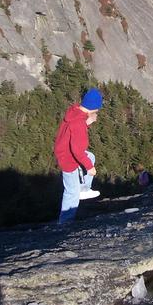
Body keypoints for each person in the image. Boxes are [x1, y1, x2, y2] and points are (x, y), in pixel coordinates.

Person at [54, 88, 103, 224]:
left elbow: (74, 129)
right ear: (94, 107)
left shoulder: (75, 113)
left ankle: (84, 188)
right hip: (68, 158)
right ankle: (65, 223)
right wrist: (89, 167)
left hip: (64, 151)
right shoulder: (78, 123)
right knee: (71, 192)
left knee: (90, 156)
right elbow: (77, 150)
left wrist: (87, 122)